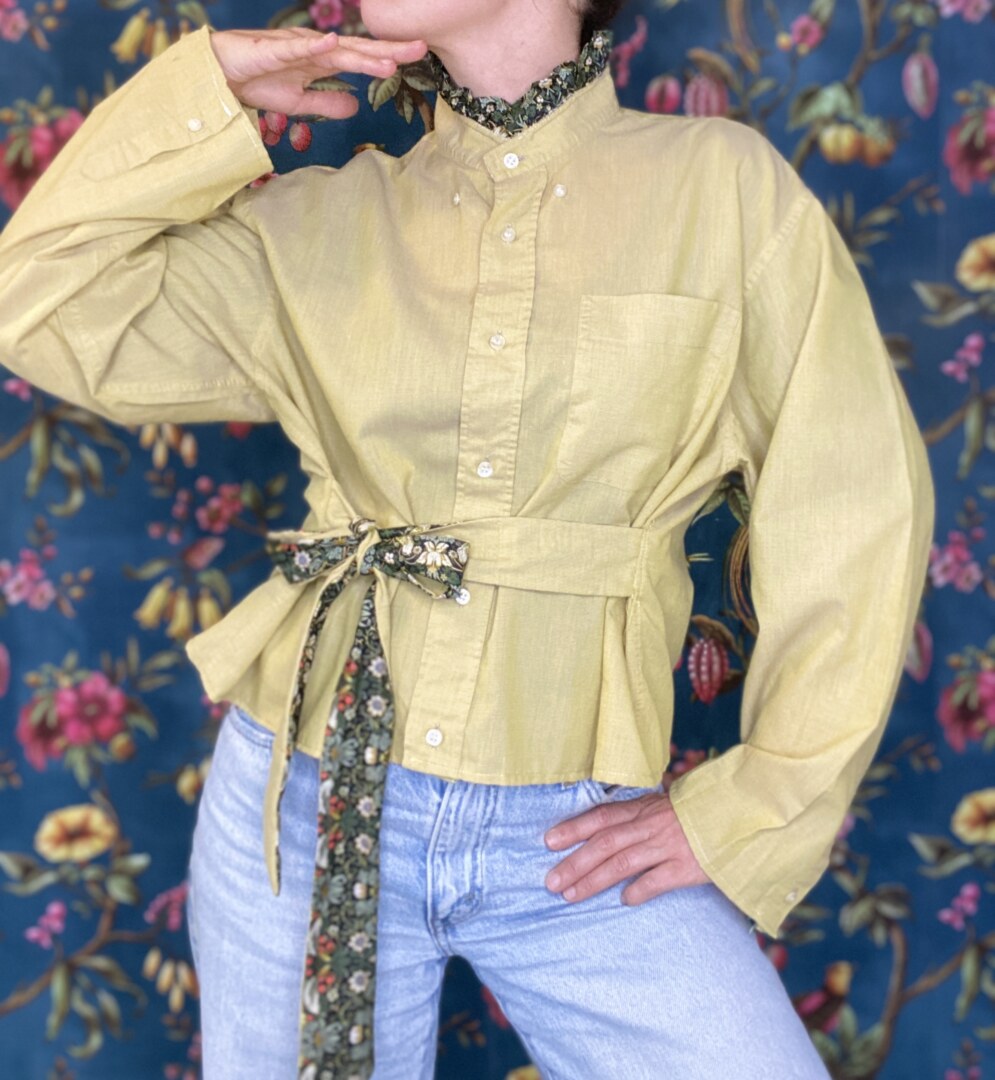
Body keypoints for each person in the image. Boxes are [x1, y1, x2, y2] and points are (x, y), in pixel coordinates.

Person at [0, 0, 935, 1077]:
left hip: (577, 824)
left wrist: (751, 806)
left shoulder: (722, 192)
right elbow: (39, 305)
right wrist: (201, 90)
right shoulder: (320, 223)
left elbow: (853, 508)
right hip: (305, 802)